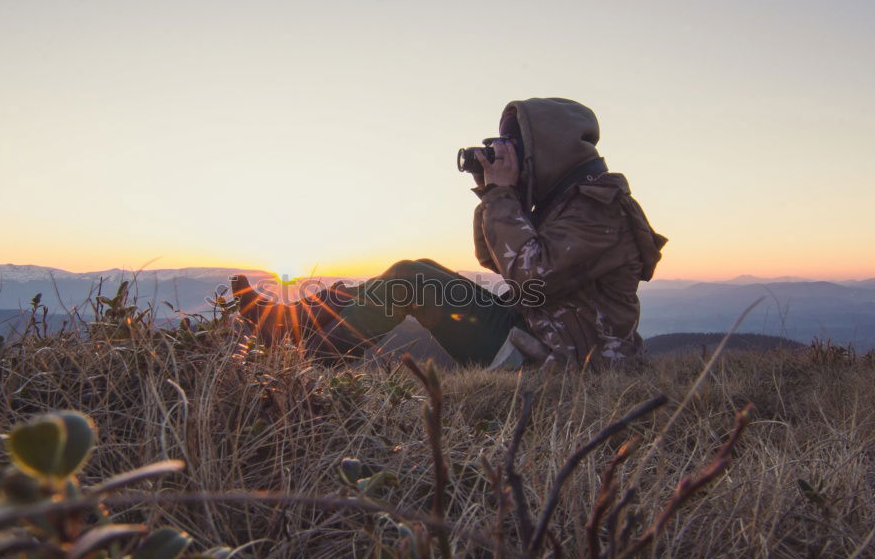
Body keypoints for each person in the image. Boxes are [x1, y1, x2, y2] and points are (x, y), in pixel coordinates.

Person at [231, 97, 666, 369]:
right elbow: (493, 259)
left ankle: (308, 360)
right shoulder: (567, 201)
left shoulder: (598, 210)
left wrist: (500, 193)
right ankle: (293, 324)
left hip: (564, 364)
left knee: (411, 281)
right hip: (538, 333)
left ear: (546, 152)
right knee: (413, 270)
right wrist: (493, 192)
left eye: (515, 150)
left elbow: (529, 275)